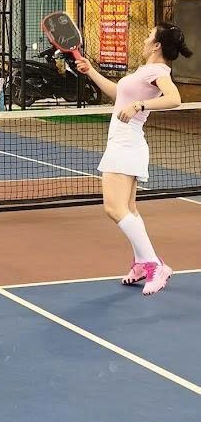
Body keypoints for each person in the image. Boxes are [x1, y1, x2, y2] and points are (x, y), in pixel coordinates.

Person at [76, 22, 192, 296]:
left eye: (149, 36)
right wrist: (91, 70)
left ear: (157, 45)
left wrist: (140, 105)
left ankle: (155, 265)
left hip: (126, 144)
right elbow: (119, 95)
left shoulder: (157, 71)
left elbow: (174, 98)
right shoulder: (144, 71)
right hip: (126, 143)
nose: (144, 39)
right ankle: (141, 263)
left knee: (114, 208)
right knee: (129, 209)